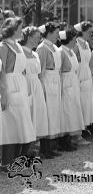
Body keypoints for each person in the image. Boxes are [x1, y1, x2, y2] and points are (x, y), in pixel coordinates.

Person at [0, 17, 36, 171]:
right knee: (10, 126)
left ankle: (16, 159)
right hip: (9, 86)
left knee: (22, 125)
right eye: (20, 28)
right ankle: (6, 162)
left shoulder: (18, 46)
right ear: (13, 29)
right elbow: (1, 72)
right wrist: (4, 94)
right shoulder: (3, 46)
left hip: (20, 87)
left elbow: (23, 70)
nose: (22, 31)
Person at [20, 26, 51, 158]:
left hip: (36, 86)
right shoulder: (20, 52)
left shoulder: (36, 54)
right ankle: (23, 151)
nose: (38, 40)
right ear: (29, 37)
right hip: (26, 86)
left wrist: (42, 90)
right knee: (27, 118)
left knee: (36, 117)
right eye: (36, 37)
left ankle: (32, 149)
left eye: (39, 37)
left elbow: (40, 74)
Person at [37, 21, 62, 158]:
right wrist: (42, 89)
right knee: (47, 115)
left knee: (54, 114)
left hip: (55, 81)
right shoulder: (42, 48)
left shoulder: (53, 47)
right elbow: (40, 72)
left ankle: (51, 146)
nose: (58, 35)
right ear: (50, 33)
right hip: (47, 81)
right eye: (56, 32)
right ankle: (44, 149)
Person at [58, 29, 85, 151]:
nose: (75, 41)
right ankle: (64, 141)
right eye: (74, 39)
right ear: (69, 39)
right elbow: (58, 71)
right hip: (66, 83)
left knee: (73, 111)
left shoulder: (71, 52)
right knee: (66, 112)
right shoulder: (61, 52)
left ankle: (71, 138)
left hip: (73, 82)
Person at [72, 21, 93, 144]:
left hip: (87, 77)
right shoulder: (76, 44)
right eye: (89, 31)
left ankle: (83, 130)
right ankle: (76, 135)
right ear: (82, 31)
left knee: (85, 105)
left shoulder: (85, 43)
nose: (91, 34)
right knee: (78, 105)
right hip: (79, 77)